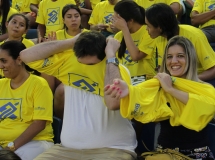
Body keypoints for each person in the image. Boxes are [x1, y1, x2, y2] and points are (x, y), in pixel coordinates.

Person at [20, 31, 137, 159]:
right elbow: (25, 55)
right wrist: (71, 41)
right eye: (81, 62)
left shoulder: (117, 70)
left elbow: (113, 103)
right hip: (66, 150)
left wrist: (110, 54)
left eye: (91, 64)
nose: (86, 67)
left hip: (113, 149)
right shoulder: (68, 61)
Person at [105, 36, 215, 159]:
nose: (173, 61)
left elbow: (205, 107)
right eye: (169, 57)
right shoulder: (158, 84)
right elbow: (141, 95)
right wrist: (128, 91)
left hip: (196, 155)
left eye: (180, 56)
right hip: (163, 154)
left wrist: (171, 90)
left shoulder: (206, 89)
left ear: (190, 59)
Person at [145, 3, 215, 96]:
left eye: (148, 26)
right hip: (181, 80)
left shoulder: (194, 35)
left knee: (181, 91)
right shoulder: (159, 39)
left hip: (212, 79)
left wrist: (187, 80)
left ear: (159, 27)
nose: (146, 29)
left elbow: (214, 71)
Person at [0, 41, 54, 160]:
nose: (0, 66)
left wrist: (10, 148)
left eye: (4, 61)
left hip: (34, 143)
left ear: (19, 60)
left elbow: (39, 124)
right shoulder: (1, 84)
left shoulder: (39, 84)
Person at [113, 0, 156, 85]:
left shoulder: (148, 32)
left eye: (116, 19)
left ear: (130, 21)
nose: (113, 22)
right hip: (125, 77)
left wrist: (125, 29)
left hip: (144, 78)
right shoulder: (118, 36)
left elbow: (136, 56)